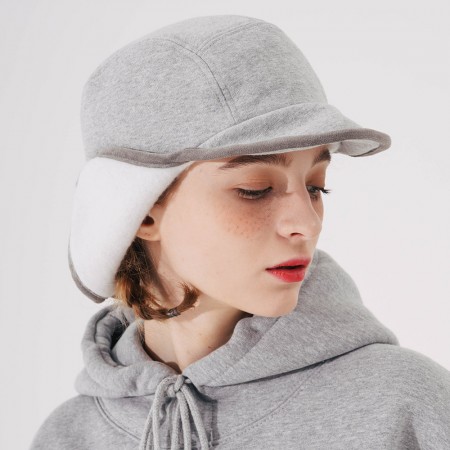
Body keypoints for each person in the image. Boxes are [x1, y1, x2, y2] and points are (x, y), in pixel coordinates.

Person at [30, 14, 450, 450]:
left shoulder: (406, 408)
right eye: (256, 190)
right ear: (141, 214)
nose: (306, 223)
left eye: (316, 186)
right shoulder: (69, 437)